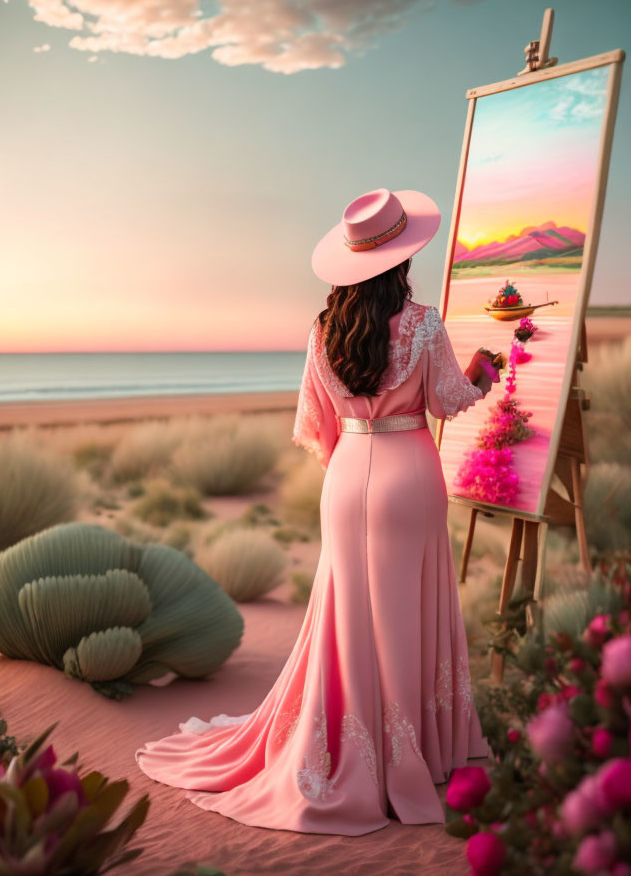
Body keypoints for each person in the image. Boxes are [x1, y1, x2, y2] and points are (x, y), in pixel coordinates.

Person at [135, 187, 499, 836]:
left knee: (348, 615)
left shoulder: (324, 329)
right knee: (407, 609)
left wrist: (351, 462)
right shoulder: (425, 324)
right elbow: (447, 400)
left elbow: (318, 426)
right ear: (403, 259)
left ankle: (353, 748)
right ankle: (415, 752)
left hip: (347, 477)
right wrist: (483, 374)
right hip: (409, 476)